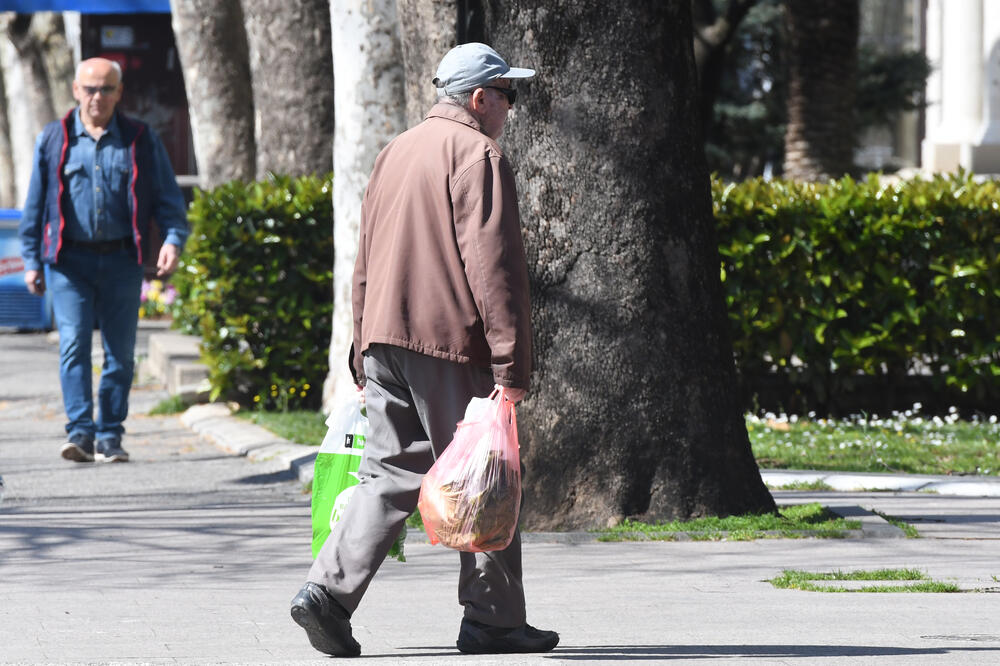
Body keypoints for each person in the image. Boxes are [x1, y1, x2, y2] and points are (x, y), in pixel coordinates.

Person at [290, 43, 558, 656]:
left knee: (387, 475)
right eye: (508, 95)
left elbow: (364, 257)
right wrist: (510, 362)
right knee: (484, 477)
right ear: (480, 98)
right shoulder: (479, 154)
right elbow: (494, 270)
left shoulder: (396, 150)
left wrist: (361, 345)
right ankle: (494, 621)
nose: (510, 107)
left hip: (385, 338)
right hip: (446, 342)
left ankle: (325, 594)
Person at [18, 57, 188, 464]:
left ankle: (110, 434)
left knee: (120, 354)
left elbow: (168, 198)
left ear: (119, 92)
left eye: (106, 89)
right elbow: (35, 205)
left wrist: (172, 239)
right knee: (74, 345)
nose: (98, 97)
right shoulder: (54, 139)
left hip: (122, 261)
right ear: (76, 90)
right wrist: (31, 260)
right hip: (68, 263)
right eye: (90, 89)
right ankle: (80, 432)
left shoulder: (140, 139)